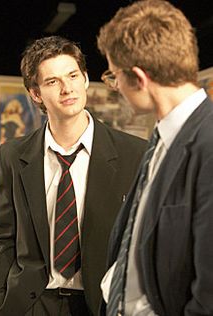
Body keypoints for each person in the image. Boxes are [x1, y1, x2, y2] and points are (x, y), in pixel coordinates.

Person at [0, 36, 146, 316]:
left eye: (72, 75)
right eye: (52, 81)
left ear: (85, 78)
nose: (66, 88)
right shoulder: (13, 155)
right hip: (31, 304)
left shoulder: (134, 153)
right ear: (36, 94)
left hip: (100, 305)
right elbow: (3, 239)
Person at [97, 0, 213, 315]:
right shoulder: (162, 137)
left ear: (139, 77)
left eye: (114, 76)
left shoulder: (207, 142)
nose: (116, 86)